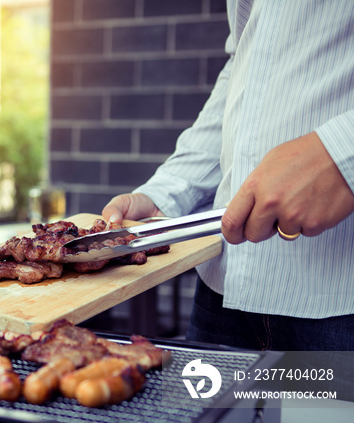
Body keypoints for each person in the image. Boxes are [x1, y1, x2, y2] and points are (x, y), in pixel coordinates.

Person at [102, 1, 354, 354]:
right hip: (221, 296)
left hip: (340, 304)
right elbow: (246, 65)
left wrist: (341, 154)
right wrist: (169, 190)